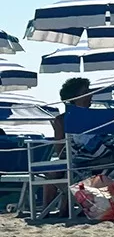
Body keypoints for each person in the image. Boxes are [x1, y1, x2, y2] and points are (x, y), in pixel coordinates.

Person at [41, 77, 93, 215]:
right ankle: (54, 209)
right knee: (58, 171)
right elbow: (60, 151)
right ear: (75, 97)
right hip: (77, 160)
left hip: (91, 160)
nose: (91, 94)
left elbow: (59, 151)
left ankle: (59, 208)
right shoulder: (61, 120)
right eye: (86, 91)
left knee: (55, 173)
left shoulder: (95, 117)